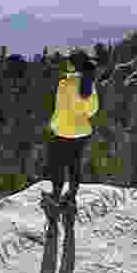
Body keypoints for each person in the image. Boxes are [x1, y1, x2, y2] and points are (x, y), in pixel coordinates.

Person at [43, 49, 99, 212]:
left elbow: (60, 111)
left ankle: (55, 197)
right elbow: (92, 111)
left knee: (57, 163)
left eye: (69, 62)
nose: (66, 64)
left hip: (63, 130)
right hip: (82, 131)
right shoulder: (89, 83)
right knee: (75, 163)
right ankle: (71, 196)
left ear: (74, 65)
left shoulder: (65, 84)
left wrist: (52, 127)